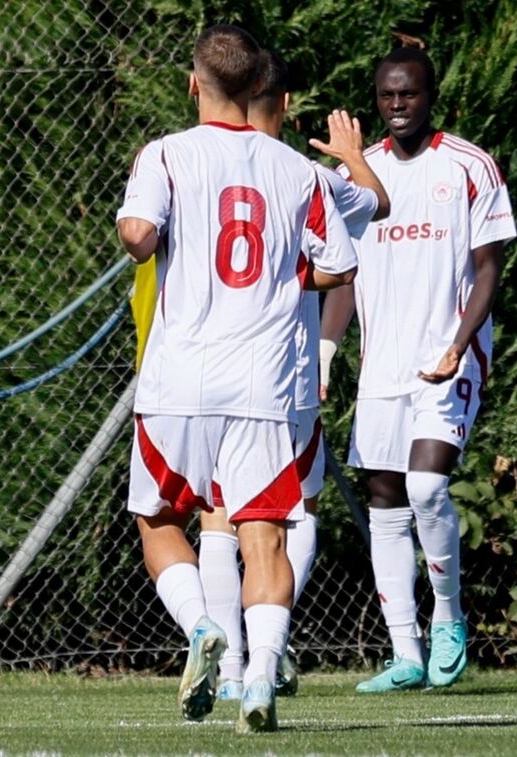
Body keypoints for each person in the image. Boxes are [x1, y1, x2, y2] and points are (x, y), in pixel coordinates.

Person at [116, 25, 356, 733]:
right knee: (266, 534)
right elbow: (338, 266)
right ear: (259, 88)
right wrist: (286, 279)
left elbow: (137, 235)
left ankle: (200, 628)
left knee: (159, 521)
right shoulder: (299, 172)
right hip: (264, 383)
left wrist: (148, 235)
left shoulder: (165, 154)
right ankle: (258, 678)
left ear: (194, 84)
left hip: (181, 377)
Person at [319, 46, 517, 692]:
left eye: (408, 94)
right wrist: (325, 351)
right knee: (384, 499)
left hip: (445, 356)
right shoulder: (360, 173)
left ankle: (450, 616)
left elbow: (489, 267)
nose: (397, 105)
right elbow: (344, 273)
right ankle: (405, 651)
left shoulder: (468, 166)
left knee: (427, 486)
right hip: (382, 367)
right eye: (386, 96)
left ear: (430, 96)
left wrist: (460, 343)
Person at [194, 49, 390, 702]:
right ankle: (263, 659)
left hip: (205, 368)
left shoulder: (193, 166)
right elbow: (376, 203)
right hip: (285, 371)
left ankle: (227, 666)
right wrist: (353, 153)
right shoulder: (306, 177)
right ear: (284, 106)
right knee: (290, 518)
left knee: (217, 517)